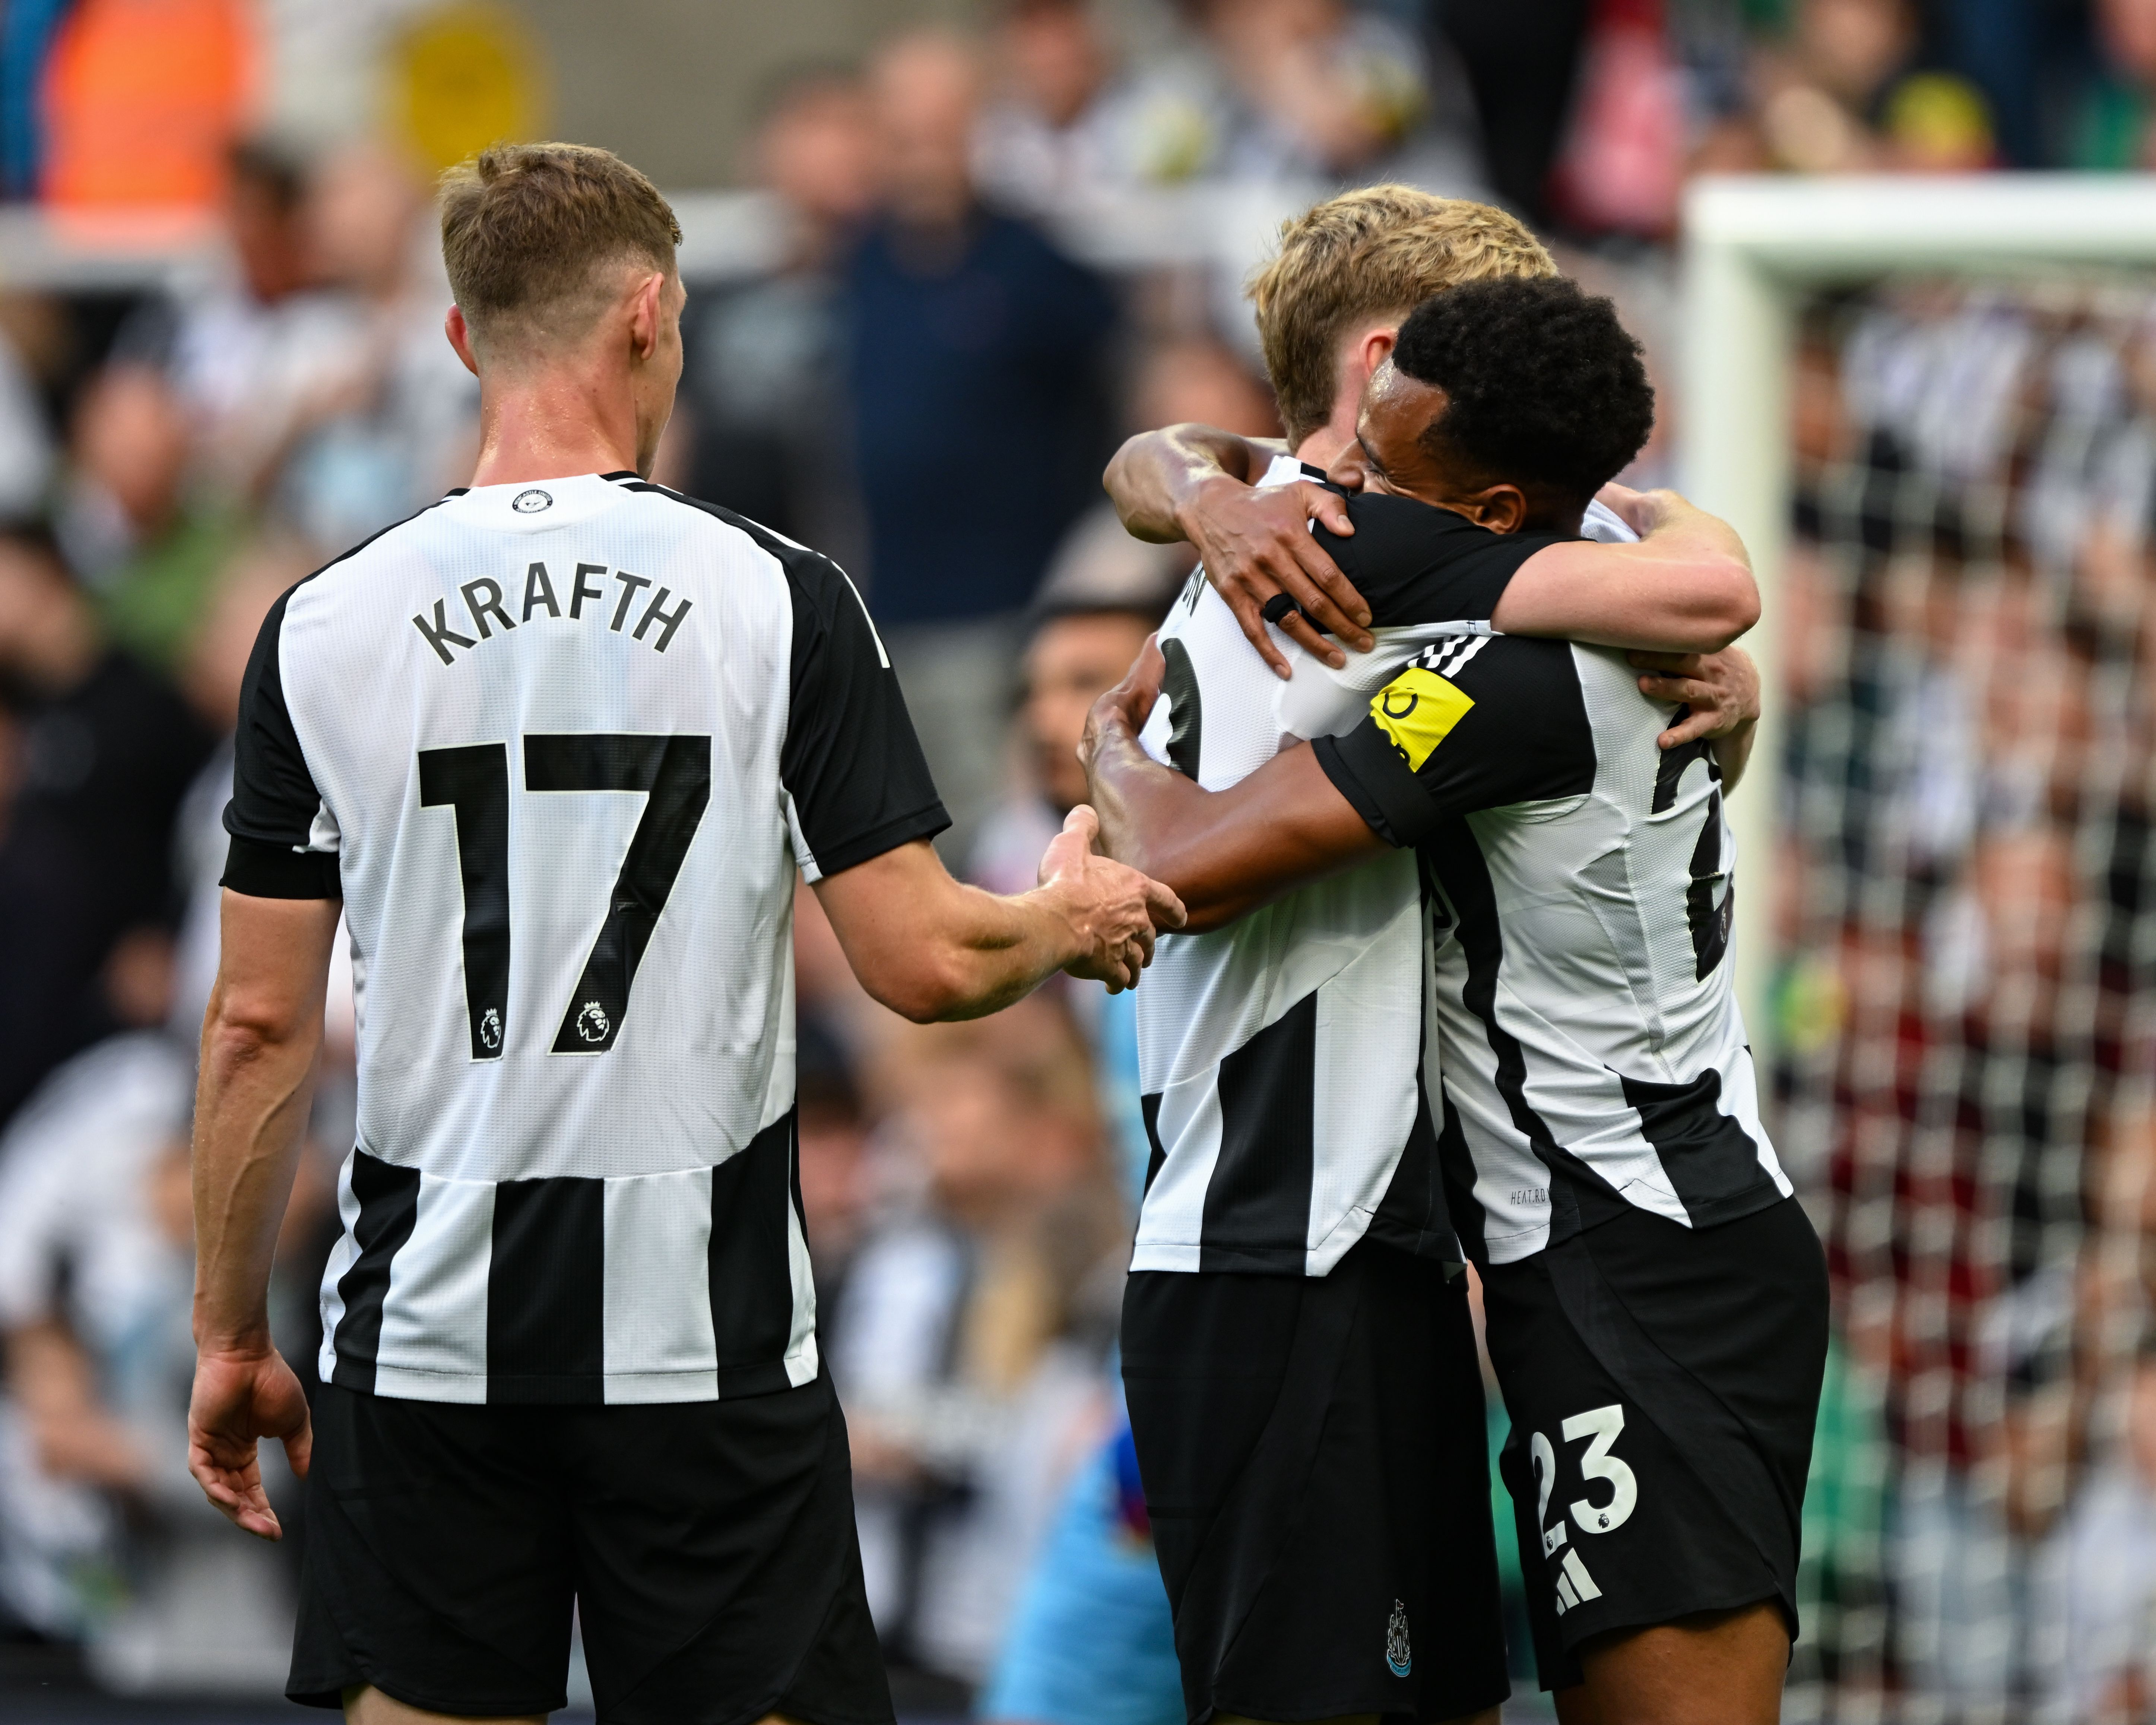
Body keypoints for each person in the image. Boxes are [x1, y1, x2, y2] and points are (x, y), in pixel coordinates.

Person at [183, 140, 1183, 1725]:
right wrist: (1066, 918)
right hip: (701, 1341)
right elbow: (925, 962)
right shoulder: (777, 595)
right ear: (649, 314)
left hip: (427, 1331)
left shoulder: (322, 622)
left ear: (460, 338)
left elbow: (254, 1027)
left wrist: (232, 1329)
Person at [1082, 278, 1829, 1725]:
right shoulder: (1595, 569)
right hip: (1572, 1253)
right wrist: (1196, 486)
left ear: (1486, 512)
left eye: (1379, 469)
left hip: (1658, 1256)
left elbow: (1178, 862)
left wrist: (1108, 749)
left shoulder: (1507, 679)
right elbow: (1172, 459)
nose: (1339, 488)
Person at [842, 29, 1120, 863]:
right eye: (904, 127)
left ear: (978, 125)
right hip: (885, 616)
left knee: (1003, 848)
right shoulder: (856, 264)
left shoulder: (1034, 263)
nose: (922, 148)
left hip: (1008, 615)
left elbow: (1120, 394)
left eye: (941, 124)